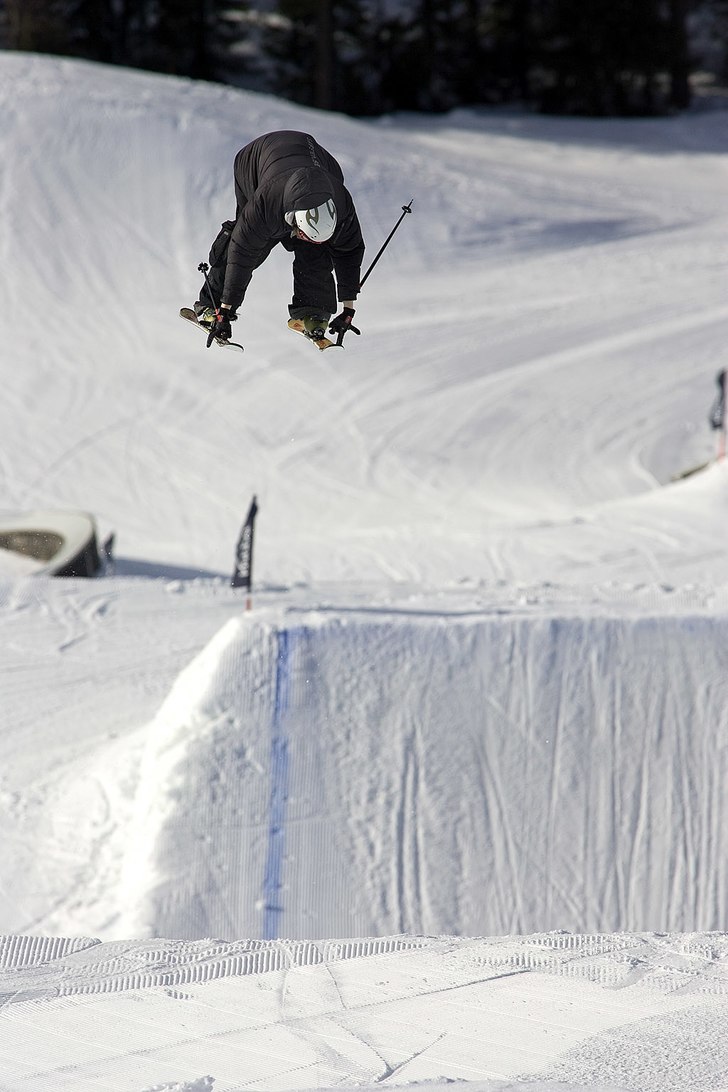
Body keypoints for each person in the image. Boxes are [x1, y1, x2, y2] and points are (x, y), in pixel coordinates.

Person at [194, 130, 365, 346]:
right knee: (251, 243)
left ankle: (313, 310)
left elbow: (349, 251)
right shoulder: (265, 205)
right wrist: (225, 311)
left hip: (320, 163)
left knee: (318, 250)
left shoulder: (341, 203)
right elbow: (241, 253)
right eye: (305, 234)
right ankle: (211, 304)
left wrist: (348, 308)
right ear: (294, 221)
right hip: (254, 162)